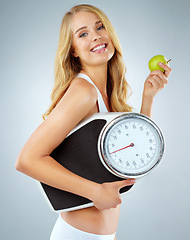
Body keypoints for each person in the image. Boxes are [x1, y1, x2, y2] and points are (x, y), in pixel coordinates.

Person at [15, 4, 172, 240]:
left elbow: (133, 159)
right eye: (83, 33)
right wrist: (95, 191)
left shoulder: (107, 95)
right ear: (74, 50)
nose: (96, 36)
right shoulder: (83, 91)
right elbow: (27, 160)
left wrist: (147, 98)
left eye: (100, 27)